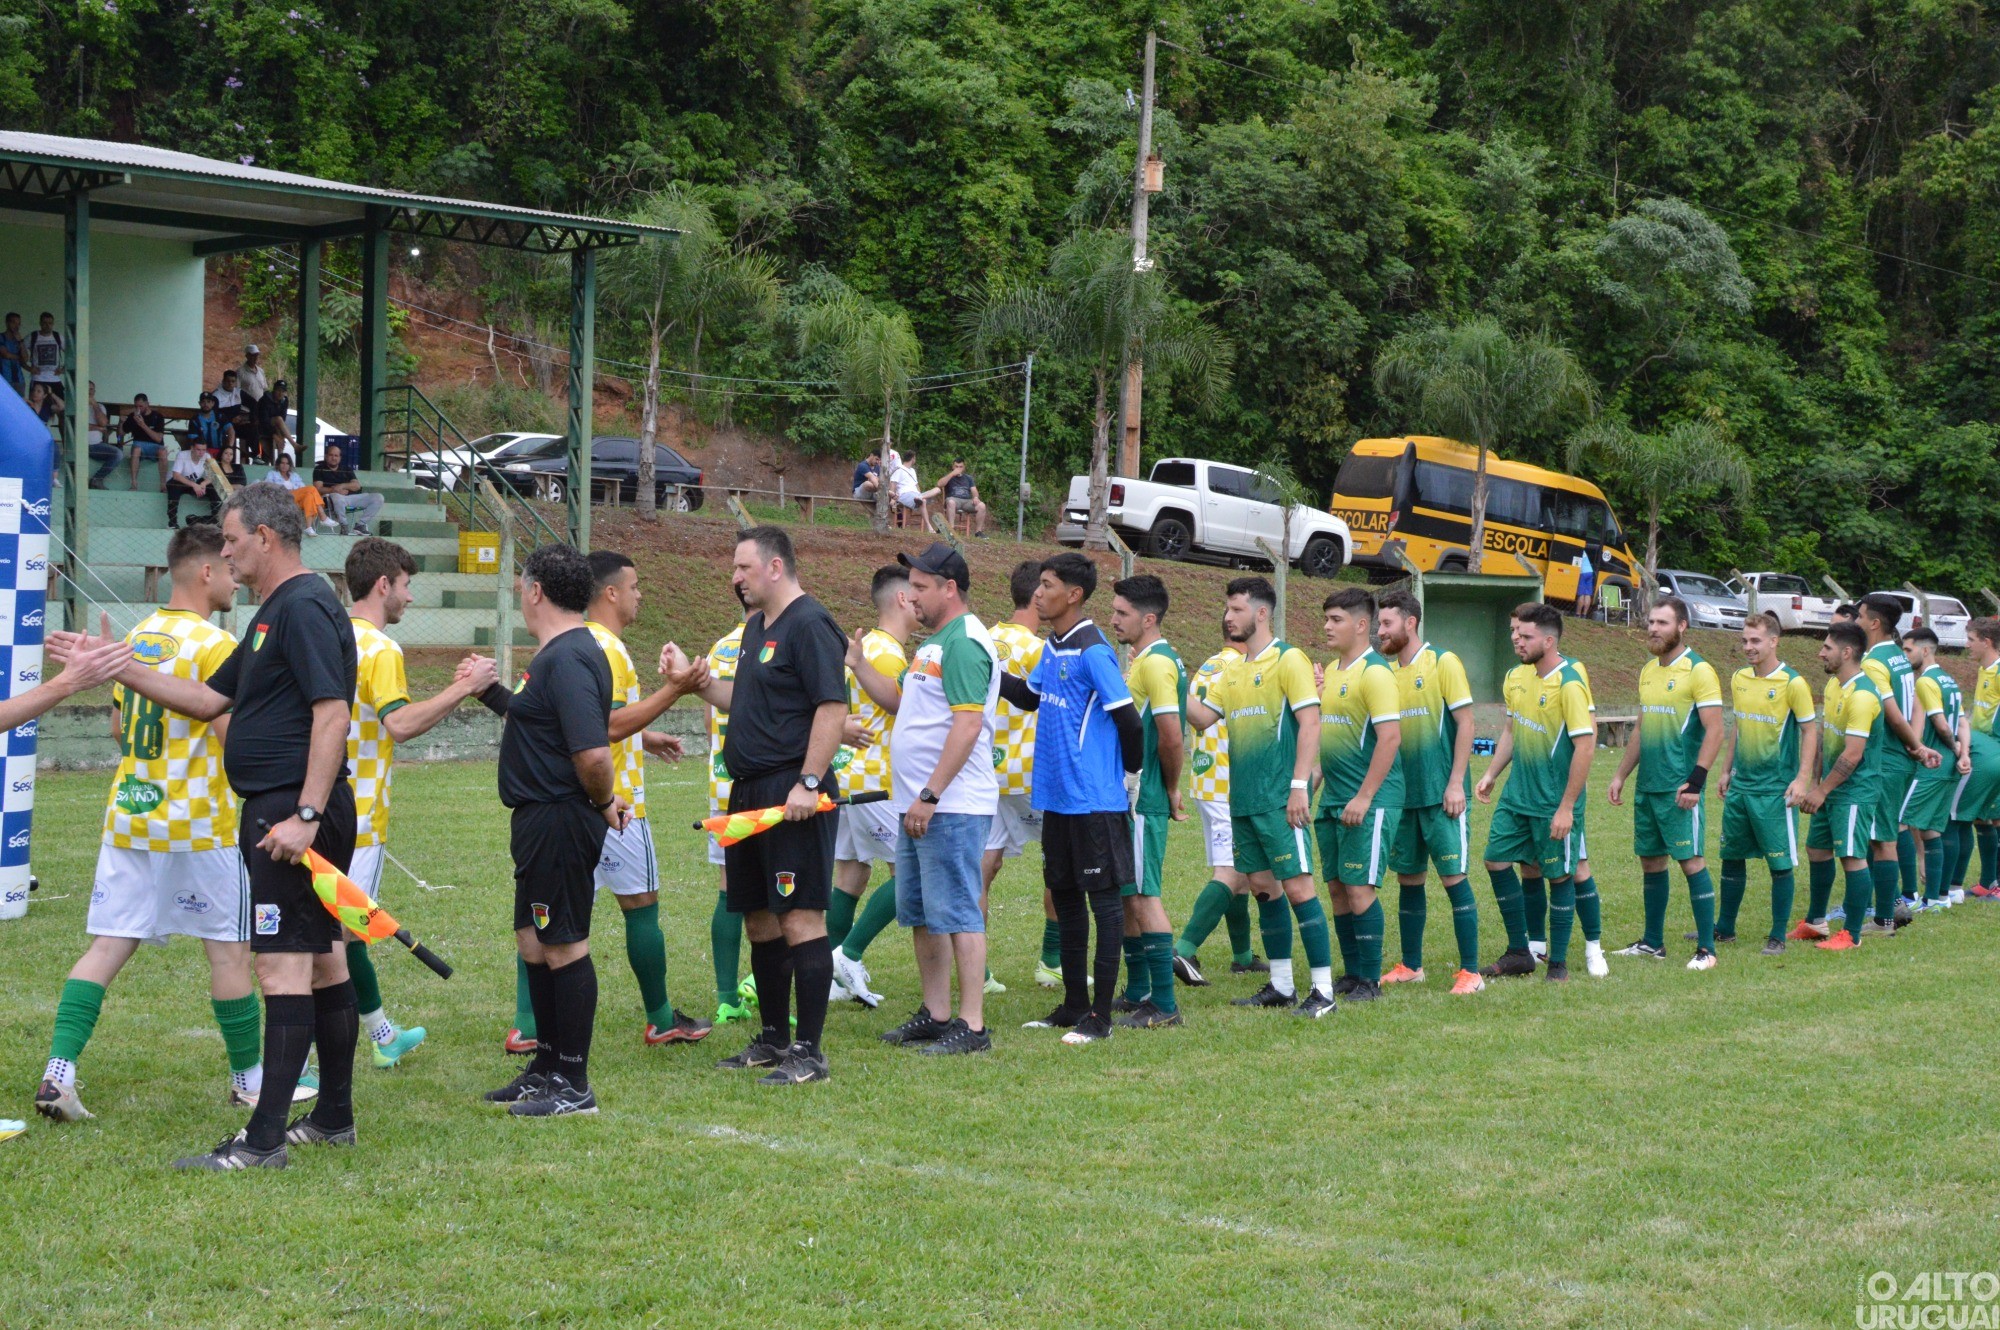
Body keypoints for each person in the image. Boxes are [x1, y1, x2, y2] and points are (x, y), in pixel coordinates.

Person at [54, 483, 362, 1169]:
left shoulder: (305, 606)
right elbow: (205, 698)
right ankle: (334, 1115)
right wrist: (117, 666)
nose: (224, 551)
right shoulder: (271, 613)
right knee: (321, 959)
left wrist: (306, 815)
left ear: (266, 537)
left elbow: (332, 714)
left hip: (293, 809)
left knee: (281, 967)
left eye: (232, 538)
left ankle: (262, 1141)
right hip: (281, 805)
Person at [36, 535, 240, 1124]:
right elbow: (231, 743)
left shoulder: (132, 639)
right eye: (228, 570)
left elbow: (121, 732)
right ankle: (250, 1083)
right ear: (205, 571)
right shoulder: (216, 643)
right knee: (229, 951)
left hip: (131, 813)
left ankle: (59, 1075)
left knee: (106, 945)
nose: (234, 580)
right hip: (199, 823)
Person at [673, 526, 848, 1086]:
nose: (735, 578)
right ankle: (773, 1038)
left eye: (743, 568)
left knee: (800, 916)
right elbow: (740, 699)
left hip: (790, 792)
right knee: (758, 919)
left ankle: (809, 1052)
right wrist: (695, 684)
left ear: (775, 568)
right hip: (747, 791)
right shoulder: (755, 628)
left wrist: (809, 781)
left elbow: (831, 708)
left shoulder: (811, 623)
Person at [472, 544, 625, 1117]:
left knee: (563, 944)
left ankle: (574, 1083)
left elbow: (592, 751)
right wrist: (489, 692)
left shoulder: (569, 656)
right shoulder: (557, 654)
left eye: (521, 584)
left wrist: (604, 800)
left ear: (535, 590)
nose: (518, 592)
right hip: (539, 817)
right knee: (534, 941)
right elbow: (542, 725)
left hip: (559, 816)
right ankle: (545, 1067)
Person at [343, 538, 496, 1070]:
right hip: (357, 817)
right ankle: (310, 1056)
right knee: (336, 940)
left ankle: (382, 1034)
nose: (410, 597)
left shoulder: (327, 632)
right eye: (407, 585)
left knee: (338, 933)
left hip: (312, 809)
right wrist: (468, 688)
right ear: (383, 584)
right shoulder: (381, 649)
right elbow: (401, 724)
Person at [849, 543, 1001, 1055]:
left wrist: (931, 794)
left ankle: (972, 1025)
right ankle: (937, 1014)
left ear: (948, 589)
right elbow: (901, 702)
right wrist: (859, 666)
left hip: (950, 806)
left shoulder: (964, 642)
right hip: (918, 805)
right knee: (920, 913)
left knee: (958, 911)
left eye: (919, 586)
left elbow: (968, 723)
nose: (909, 595)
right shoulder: (934, 643)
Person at [996, 553, 1144, 1044]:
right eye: (1038, 585)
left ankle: (1100, 1018)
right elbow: (1029, 697)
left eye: (1047, 585)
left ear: (1073, 595)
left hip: (1094, 801)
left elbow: (1129, 720)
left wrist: (1130, 778)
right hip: (1056, 797)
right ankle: (1074, 1005)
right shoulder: (1053, 646)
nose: (1038, 594)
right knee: (1065, 898)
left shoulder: (1092, 650)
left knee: (1105, 905)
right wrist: (988, 668)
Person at [576, 551, 710, 1046]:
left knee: (558, 917)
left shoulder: (573, 640)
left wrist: (644, 738)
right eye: (634, 587)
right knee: (642, 905)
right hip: (618, 803)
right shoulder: (609, 648)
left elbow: (585, 721)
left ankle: (527, 1026)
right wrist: (676, 690)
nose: (639, 595)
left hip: (571, 802)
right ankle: (661, 1017)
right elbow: (608, 724)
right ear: (610, 593)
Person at [1185, 577, 1330, 1013]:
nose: (1228, 617)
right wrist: (1171, 680)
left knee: (1300, 889)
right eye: (1227, 609)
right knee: (1265, 889)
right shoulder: (1232, 669)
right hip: (1242, 801)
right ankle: (1281, 987)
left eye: (1236, 609)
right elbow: (1203, 718)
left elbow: (1310, 723)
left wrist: (1299, 786)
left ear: (1261, 613)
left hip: (1280, 801)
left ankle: (1322, 992)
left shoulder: (1290, 660)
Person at [1474, 603, 1600, 982]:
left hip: (1552, 801)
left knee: (1560, 875)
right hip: (1517, 797)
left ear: (1549, 640)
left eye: (1525, 635)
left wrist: (1566, 807)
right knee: (1496, 860)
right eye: (1515, 632)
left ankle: (1558, 963)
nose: (1517, 639)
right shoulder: (1515, 677)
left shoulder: (1570, 683)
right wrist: (1492, 773)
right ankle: (1520, 952)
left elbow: (1586, 746)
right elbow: (1512, 732)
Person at [1374, 589, 1484, 995]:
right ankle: (1412, 965)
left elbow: (1467, 723)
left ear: (1410, 622)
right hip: (1404, 796)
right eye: (1378, 623)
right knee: (1409, 879)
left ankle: (1472, 972)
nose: (1379, 631)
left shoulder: (1443, 662)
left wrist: (1456, 782)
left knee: (1454, 878)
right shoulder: (1384, 673)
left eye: (1386, 623)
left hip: (1442, 795)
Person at [1608, 597, 1726, 969]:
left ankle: (1707, 950)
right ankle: (1652, 943)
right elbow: (1642, 729)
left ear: (1682, 627)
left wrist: (1695, 782)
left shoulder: (1699, 671)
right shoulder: (1648, 670)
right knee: (1651, 862)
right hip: (1649, 786)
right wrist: (1621, 774)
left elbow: (1716, 730)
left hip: (1680, 788)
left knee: (1691, 861)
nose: (1653, 629)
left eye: (1662, 622)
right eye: (1650, 622)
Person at [826, 565, 915, 1009]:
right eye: (915, 592)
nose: (920, 600)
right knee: (912, 872)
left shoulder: (871, 648)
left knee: (851, 874)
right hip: (876, 782)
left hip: (848, 774)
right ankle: (848, 954)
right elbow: (902, 708)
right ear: (901, 600)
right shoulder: (886, 655)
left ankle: (828, 975)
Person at [1312, 588, 1402, 1009]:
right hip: (1333, 799)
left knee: (1359, 888)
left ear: (1361, 625)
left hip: (1371, 799)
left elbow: (1390, 738)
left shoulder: (1376, 673)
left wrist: (1365, 798)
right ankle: (1352, 974)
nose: (1327, 627)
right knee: (1336, 887)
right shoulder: (1331, 671)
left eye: (1335, 619)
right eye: (1327, 619)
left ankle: (1371, 979)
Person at [1714, 612, 1818, 957]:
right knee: (1731, 856)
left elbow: (1809, 731)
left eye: (1755, 640)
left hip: (1776, 790)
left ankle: (1777, 935)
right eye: (1744, 640)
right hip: (1742, 787)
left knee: (1780, 863)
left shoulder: (1793, 683)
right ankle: (1724, 928)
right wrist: (1727, 770)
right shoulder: (1739, 678)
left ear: (1774, 641)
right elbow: (1740, 726)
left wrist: (1802, 779)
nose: (1748, 647)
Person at [1107, 574, 1186, 1027]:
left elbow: (1172, 737)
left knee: (1143, 895)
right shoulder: (1148, 660)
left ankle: (1165, 1004)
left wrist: (1170, 788)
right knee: (1127, 895)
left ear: (1148, 618)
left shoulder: (1156, 663)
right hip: (1132, 797)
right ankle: (1139, 991)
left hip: (1144, 798)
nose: (1114, 619)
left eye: (1122, 613)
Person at [1170, 621, 1262, 985]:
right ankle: (1182, 949)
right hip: (1230, 784)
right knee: (1232, 872)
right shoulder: (1242, 670)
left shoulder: (1207, 666)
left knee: (1237, 873)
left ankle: (1242, 957)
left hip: (1206, 781)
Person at [1794, 622, 1888, 951]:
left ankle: (1851, 934)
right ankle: (1817, 922)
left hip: (1854, 791)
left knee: (1851, 857)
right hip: (1831, 788)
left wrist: (1822, 790)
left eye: (1827, 647)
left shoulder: (1863, 695)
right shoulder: (1835, 685)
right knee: (1817, 850)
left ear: (1847, 653)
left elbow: (1852, 753)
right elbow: (1826, 737)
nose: (1821, 652)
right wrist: (1817, 782)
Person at [982, 562, 1052, 986]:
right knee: (1060, 862)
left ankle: (983, 971)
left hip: (982, 772)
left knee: (983, 866)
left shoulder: (983, 640)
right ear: (1037, 596)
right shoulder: (1037, 649)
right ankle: (1051, 962)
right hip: (1027, 773)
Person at [1856, 592, 1941, 932]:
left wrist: (1916, 746)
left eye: (1860, 617)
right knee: (1882, 834)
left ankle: (1885, 918)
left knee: (1882, 839)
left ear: (1874, 623)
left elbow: (1892, 715)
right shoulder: (1898, 656)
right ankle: (1892, 904)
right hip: (1897, 758)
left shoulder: (1875, 662)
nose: (1856, 622)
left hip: (1887, 759)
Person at [1901, 626, 1968, 911]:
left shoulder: (1926, 682)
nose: (1905, 657)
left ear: (1925, 650)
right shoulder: (1948, 680)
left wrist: (1952, 748)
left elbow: (1942, 724)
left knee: (1897, 820)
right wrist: (1964, 754)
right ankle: (1936, 899)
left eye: (1908, 650)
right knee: (1931, 829)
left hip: (1932, 764)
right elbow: (1963, 723)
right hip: (1950, 765)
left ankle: (1907, 894)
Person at [1958, 618, 2000, 897]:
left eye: (1971, 640)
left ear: (1986, 642)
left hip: (1993, 752)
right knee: (1985, 818)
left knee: (1993, 818)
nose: (1967, 645)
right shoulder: (1985, 669)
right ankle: (1988, 883)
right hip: (1983, 748)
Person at [314, 441, 383, 535]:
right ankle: (344, 525)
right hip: (331, 499)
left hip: (351, 498)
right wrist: (334, 490)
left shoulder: (346, 469)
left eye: (336, 455)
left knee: (378, 497)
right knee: (336, 496)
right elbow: (318, 489)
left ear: (340, 457)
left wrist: (342, 486)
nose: (333, 458)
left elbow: (357, 486)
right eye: (331, 455)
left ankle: (360, 525)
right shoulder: (319, 469)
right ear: (326, 456)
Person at [165, 435, 220, 529]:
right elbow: (176, 475)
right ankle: (172, 522)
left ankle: (217, 521)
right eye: (198, 449)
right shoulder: (182, 454)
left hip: (194, 483)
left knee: (212, 487)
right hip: (178, 482)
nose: (201, 452)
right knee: (174, 486)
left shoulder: (207, 456)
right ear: (192, 448)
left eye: (204, 449)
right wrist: (194, 485)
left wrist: (203, 484)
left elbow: (214, 476)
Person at [122, 393, 171, 492]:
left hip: (155, 446)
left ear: (147, 404)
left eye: (141, 406)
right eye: (136, 406)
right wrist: (121, 422)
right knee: (136, 449)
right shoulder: (132, 416)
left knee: (163, 452)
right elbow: (120, 434)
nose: (138, 409)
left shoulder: (158, 416)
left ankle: (163, 485)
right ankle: (134, 484)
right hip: (139, 445)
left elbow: (158, 439)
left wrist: (142, 425)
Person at [268, 452, 326, 529]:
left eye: (287, 463)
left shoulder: (294, 475)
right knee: (312, 489)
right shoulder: (272, 474)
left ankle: (309, 527)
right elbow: (268, 489)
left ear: (290, 465)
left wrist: (295, 491)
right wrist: (285, 491)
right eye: (282, 463)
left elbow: (303, 489)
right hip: (282, 499)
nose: (285, 466)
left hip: (295, 500)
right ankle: (322, 515)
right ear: (278, 464)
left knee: (309, 496)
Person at [940, 459, 989, 537]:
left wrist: (976, 497)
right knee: (951, 502)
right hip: (953, 499)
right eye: (956, 466)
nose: (958, 468)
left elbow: (974, 490)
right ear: (953, 467)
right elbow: (939, 484)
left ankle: (978, 532)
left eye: (960, 467)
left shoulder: (968, 478)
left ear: (964, 468)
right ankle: (951, 529)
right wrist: (952, 474)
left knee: (982, 505)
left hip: (967, 501)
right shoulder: (949, 476)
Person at [86, 381, 119, 489]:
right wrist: (97, 428)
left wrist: (94, 404)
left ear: (94, 392)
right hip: (79, 445)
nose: (89, 392)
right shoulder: (76, 405)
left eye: (91, 389)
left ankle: (97, 479)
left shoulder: (99, 407)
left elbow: (104, 423)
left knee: (118, 454)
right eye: (87, 388)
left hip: (96, 445)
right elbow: (78, 425)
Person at [255, 379, 296, 463]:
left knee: (280, 423)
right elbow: (264, 420)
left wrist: (279, 435)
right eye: (278, 390)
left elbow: (283, 418)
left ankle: (280, 459)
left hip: (274, 428)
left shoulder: (284, 401)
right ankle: (294, 444)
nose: (280, 393)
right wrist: (274, 435)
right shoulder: (265, 400)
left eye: (283, 391)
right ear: (274, 390)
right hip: (261, 428)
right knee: (278, 419)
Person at [25, 311, 64, 394]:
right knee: (35, 405)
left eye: (50, 323)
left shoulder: (58, 337)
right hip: (37, 378)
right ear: (40, 323)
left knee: (60, 405)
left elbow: (73, 355)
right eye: (45, 323)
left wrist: (63, 369)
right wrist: (28, 368)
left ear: (53, 324)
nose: (47, 325)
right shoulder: (32, 337)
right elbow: (19, 354)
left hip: (55, 378)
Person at [0, 311, 25, 395]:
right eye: (13, 322)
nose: (16, 326)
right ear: (7, 323)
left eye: (18, 323)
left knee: (19, 406)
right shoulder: (1, 337)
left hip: (19, 380)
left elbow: (26, 358)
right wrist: (19, 357)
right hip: (4, 379)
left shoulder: (19, 340)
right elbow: (5, 354)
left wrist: (21, 341)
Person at [238, 344, 269, 412]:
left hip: (261, 408)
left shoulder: (261, 371)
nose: (255, 357)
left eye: (257, 355)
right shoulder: (240, 372)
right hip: (246, 409)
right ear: (247, 356)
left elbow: (265, 389)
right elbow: (237, 391)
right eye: (252, 355)